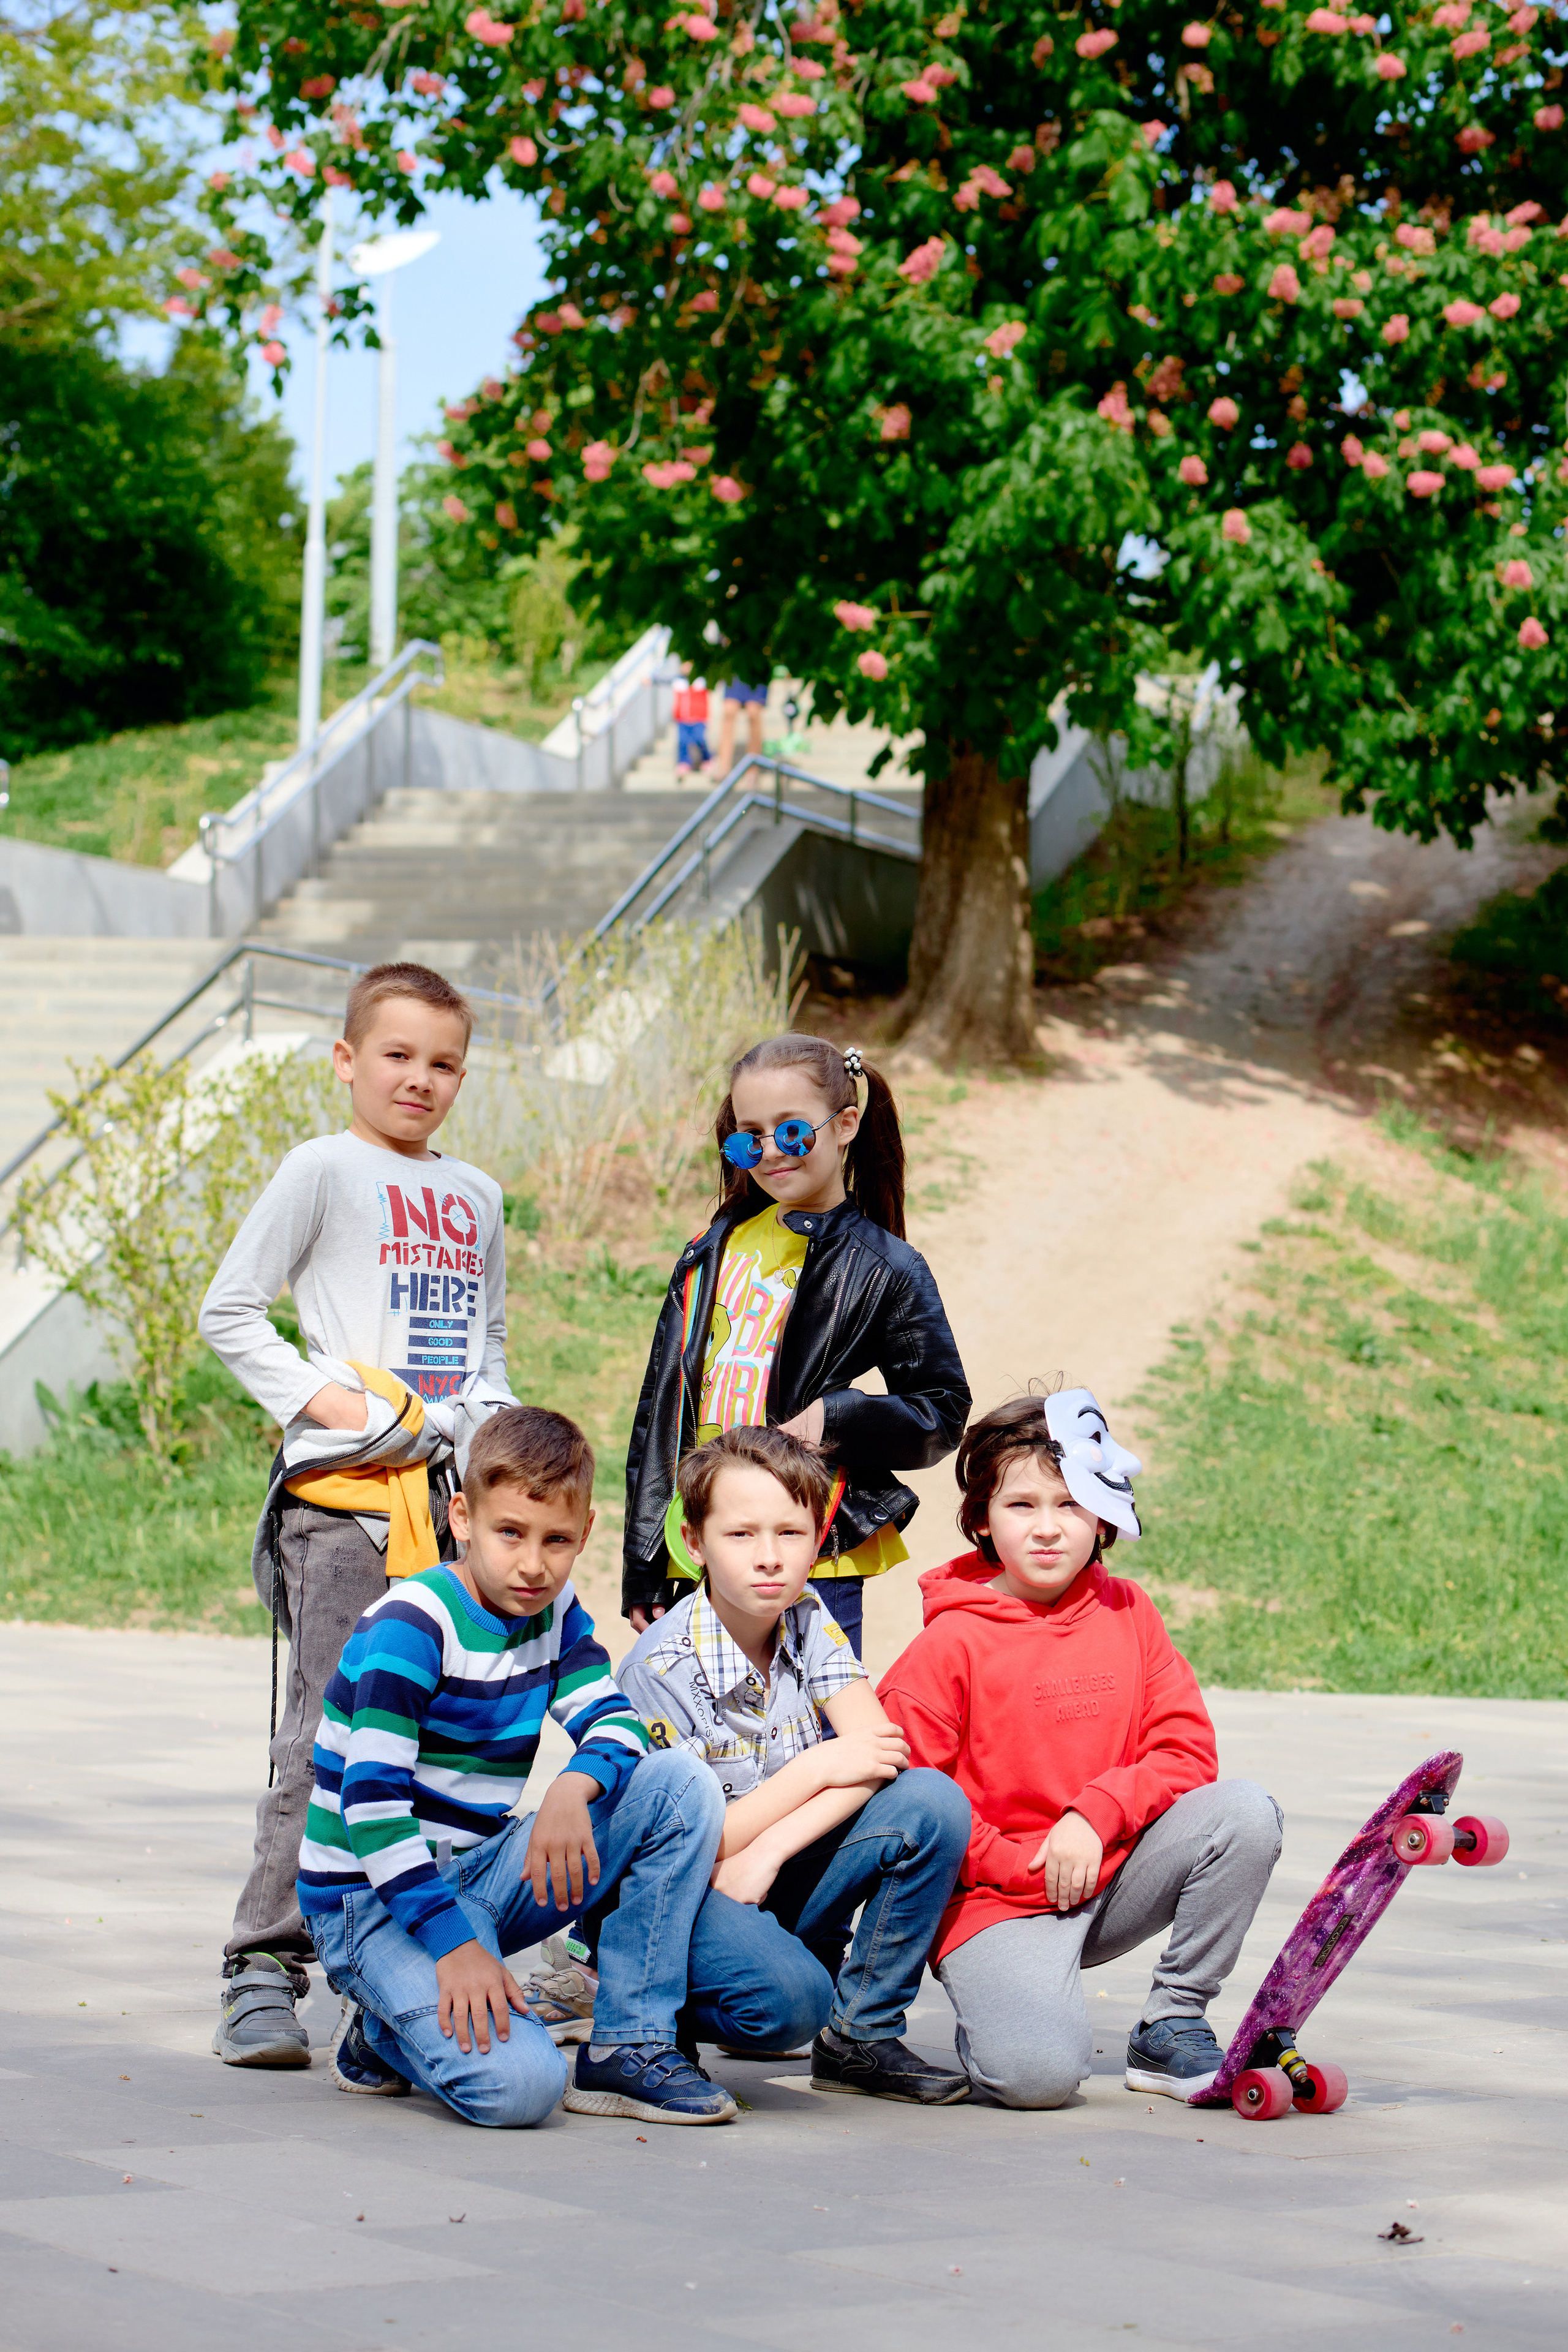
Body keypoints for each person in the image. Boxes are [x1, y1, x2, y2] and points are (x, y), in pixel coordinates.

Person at [198, 960, 518, 2070]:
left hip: (445, 1504)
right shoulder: (321, 1170)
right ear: (346, 1060)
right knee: (333, 1732)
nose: (419, 1080)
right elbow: (230, 1310)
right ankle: (262, 1963)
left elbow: (490, 1358)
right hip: (341, 1509)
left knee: (433, 1734)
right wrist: (331, 1404)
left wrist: (485, 1443)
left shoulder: (475, 1198)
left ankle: (387, 1956)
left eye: (443, 1063)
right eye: (396, 1055)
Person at [301, 1404, 734, 2126]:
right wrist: (455, 1948)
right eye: (510, 1533)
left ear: (585, 1534)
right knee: (521, 2089)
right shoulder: (412, 1626)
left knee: (676, 1783)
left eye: (556, 1540)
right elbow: (370, 1810)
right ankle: (381, 2021)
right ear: (463, 1517)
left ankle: (631, 2043)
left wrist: (575, 1783)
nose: (533, 1564)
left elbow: (616, 1721)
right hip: (369, 1903)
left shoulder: (553, 1609)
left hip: (479, 1868)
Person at [878, 1391, 1283, 2109]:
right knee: (1037, 2081)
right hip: (995, 1900)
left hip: (1107, 1869)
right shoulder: (947, 1645)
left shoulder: (1129, 1611)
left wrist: (1095, 1815)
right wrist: (1021, 1866)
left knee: (1245, 1814)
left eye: (1069, 1506)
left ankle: (1173, 2019)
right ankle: (1007, 2012)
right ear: (981, 1519)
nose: (1046, 1530)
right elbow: (914, 1798)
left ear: (1103, 1516)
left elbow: (1185, 1750)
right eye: (1021, 1506)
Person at [618, 1423, 972, 2103]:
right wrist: (815, 1769)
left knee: (930, 1802)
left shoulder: (807, 1617)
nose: (768, 1557)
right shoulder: (660, 1669)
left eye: (790, 1533)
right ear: (693, 1544)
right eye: (740, 1534)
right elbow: (694, 1842)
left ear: (819, 1539)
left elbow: (879, 1755)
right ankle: (647, 2006)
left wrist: (769, 1851)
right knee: (787, 2006)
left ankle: (859, 2037)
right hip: (684, 1892)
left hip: (762, 1869)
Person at [621, 1032, 970, 1658]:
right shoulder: (711, 1247)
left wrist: (832, 1420)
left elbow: (941, 1409)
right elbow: (663, 1408)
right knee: (703, 1741)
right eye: (748, 1136)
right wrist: (644, 1555)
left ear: (845, 1125)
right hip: (701, 1542)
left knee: (819, 1736)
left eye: (790, 1132)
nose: (770, 1153)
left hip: (811, 1551)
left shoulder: (885, 1265)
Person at [715, 677, 767, 774]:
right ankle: (723, 767)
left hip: (757, 671)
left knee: (753, 712)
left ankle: (753, 768)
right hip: (735, 671)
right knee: (729, 711)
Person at [672, 666, 712, 778]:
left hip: (699, 718)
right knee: (683, 741)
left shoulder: (702, 680)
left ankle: (707, 759)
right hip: (683, 719)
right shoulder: (678, 681)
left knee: (700, 739)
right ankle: (683, 763)